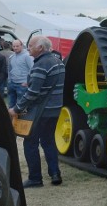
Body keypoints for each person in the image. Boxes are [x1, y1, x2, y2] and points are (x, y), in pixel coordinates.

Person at [8, 36, 66, 188]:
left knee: (30, 143)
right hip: (54, 110)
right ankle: (55, 174)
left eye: (31, 45)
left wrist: (16, 109)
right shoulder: (57, 61)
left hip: (41, 112)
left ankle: (35, 179)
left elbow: (33, 93)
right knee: (48, 141)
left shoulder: (41, 64)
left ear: (40, 48)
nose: (28, 48)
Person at [8, 39, 34, 109]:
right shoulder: (12, 56)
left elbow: (32, 69)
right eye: (14, 46)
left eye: (17, 46)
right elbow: (9, 70)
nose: (15, 48)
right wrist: (9, 80)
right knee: (11, 105)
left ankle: (19, 119)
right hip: (12, 84)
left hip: (22, 85)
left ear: (22, 46)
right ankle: (11, 119)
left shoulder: (27, 56)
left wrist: (28, 82)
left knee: (21, 107)